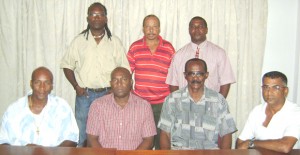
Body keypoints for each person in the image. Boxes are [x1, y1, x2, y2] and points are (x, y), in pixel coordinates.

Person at [60, 2, 130, 146]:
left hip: (108, 95)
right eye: (93, 15)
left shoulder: (114, 42)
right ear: (87, 19)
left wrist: (113, 90)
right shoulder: (78, 41)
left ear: (106, 19)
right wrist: (76, 86)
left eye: (100, 15)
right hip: (84, 96)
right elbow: (67, 65)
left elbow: (125, 69)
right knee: (82, 133)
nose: (96, 18)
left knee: (108, 132)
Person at [158, 58, 237, 150]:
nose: (195, 78)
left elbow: (226, 134)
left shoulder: (218, 100)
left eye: (199, 74)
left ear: (206, 75)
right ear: (185, 75)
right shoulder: (172, 100)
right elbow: (165, 134)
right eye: (191, 74)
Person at [127, 14, 175, 149]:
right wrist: (131, 94)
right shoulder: (135, 47)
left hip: (163, 104)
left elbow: (174, 75)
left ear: (159, 29)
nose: (151, 30)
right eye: (148, 27)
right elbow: (126, 73)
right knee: (142, 142)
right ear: (143, 29)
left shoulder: (168, 48)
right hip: (140, 103)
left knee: (162, 142)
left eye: (154, 27)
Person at [0, 67, 79, 147]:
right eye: (37, 82)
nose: (42, 87)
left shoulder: (62, 107)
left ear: (51, 86)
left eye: (47, 83)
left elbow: (72, 139)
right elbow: (2, 141)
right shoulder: (14, 110)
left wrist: (49, 153)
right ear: (31, 83)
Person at [86, 67, 156, 150]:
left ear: (131, 83)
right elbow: (92, 139)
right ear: (110, 83)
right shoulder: (97, 105)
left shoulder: (144, 106)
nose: (119, 84)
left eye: (124, 79)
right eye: (115, 80)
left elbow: (149, 141)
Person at [166, 16, 235, 98]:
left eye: (200, 27)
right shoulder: (179, 55)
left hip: (211, 105)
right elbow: (173, 83)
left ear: (206, 30)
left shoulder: (219, 53)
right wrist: (179, 104)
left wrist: (217, 105)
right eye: (193, 27)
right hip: (185, 107)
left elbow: (226, 81)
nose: (197, 29)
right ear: (189, 30)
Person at [236, 71, 300, 153]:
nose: (269, 92)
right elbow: (240, 143)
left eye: (275, 87)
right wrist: (249, 144)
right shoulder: (257, 110)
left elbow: (285, 146)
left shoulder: (295, 113)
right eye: (266, 87)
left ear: (285, 91)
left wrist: (252, 143)